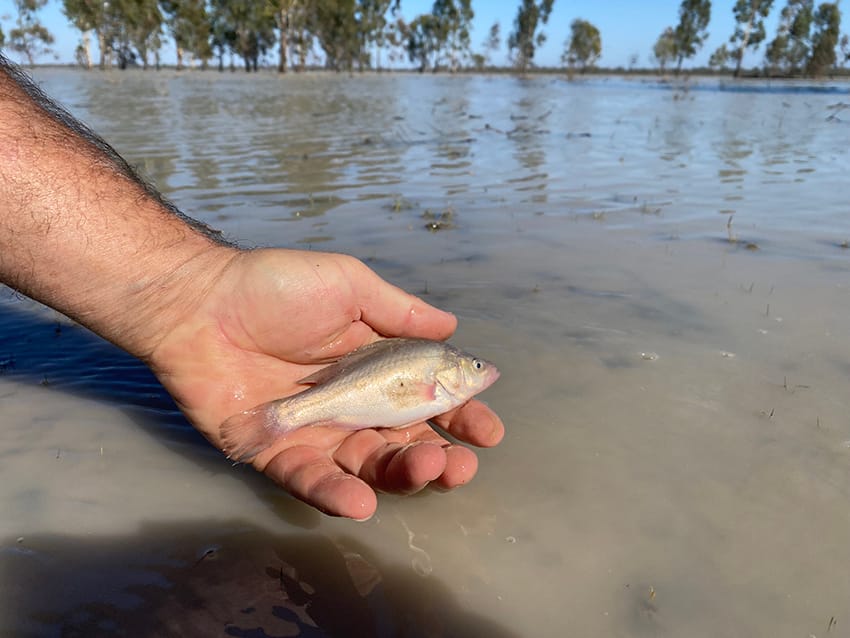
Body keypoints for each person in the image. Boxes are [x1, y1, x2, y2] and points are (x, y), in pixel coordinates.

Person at [0, 55, 504, 521]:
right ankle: (284, 416)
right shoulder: (434, 369)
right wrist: (190, 293)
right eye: (476, 367)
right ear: (454, 369)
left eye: (477, 366)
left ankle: (288, 416)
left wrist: (186, 292)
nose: (482, 370)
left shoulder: (434, 373)